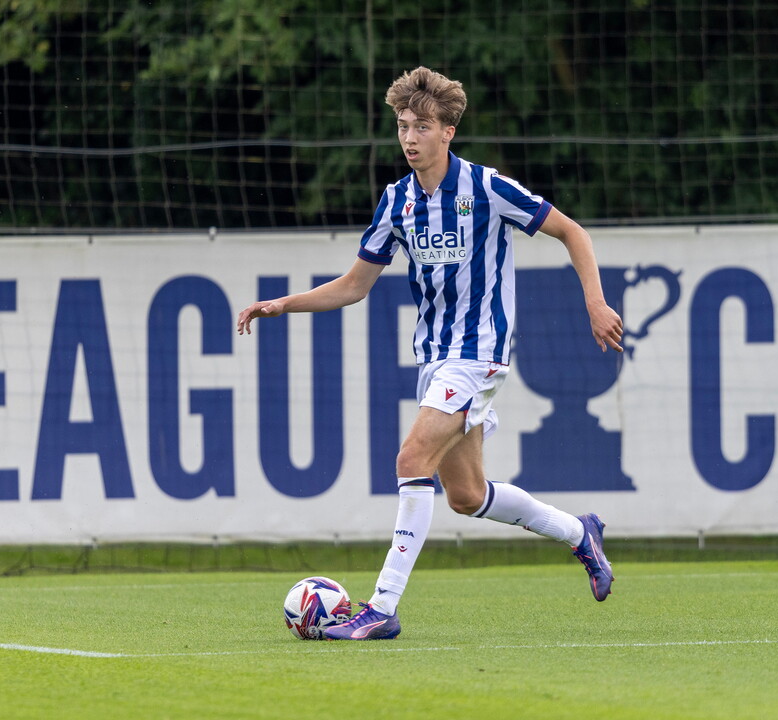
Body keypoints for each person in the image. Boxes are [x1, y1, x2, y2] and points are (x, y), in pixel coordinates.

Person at [237, 66, 624, 640]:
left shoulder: (487, 188)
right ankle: (579, 533)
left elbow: (573, 232)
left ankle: (382, 607)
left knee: (410, 461)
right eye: (402, 126)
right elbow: (354, 285)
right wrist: (283, 304)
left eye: (421, 126)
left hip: (480, 352)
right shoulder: (396, 202)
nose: (410, 138)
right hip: (435, 359)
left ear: (448, 131)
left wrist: (595, 301)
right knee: (466, 496)